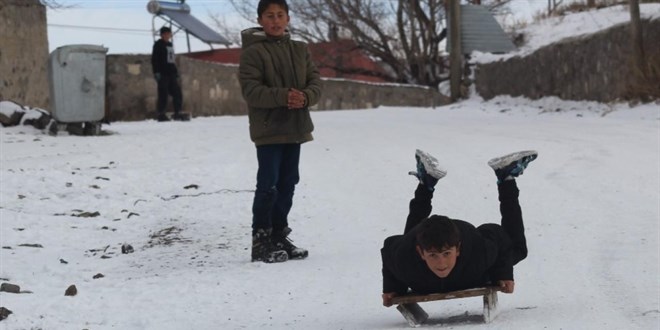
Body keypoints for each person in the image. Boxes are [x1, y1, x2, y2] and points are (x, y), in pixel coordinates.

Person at [381, 149, 538, 307]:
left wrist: (503, 274)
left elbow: (496, 234)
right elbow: (389, 248)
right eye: (433, 255)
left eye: (447, 253)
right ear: (421, 253)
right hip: (414, 248)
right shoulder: (403, 261)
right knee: (408, 244)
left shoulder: (480, 255)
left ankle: (506, 177)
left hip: (471, 243)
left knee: (517, 250)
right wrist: (393, 288)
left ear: (458, 249)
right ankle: (426, 183)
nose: (441, 263)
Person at [239, 0, 322, 263]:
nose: (275, 20)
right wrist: (284, 96)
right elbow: (251, 91)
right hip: (269, 129)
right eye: (269, 16)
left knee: (288, 184)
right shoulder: (253, 53)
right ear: (260, 20)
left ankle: (278, 234)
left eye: (280, 15)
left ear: (288, 18)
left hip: (294, 128)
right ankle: (260, 240)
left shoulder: (300, 49)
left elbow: (315, 82)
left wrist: (306, 97)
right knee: (269, 185)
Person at [151, 26, 184, 122]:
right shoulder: (158, 45)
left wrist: (175, 71)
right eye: (165, 34)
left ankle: (177, 113)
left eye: (169, 34)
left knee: (177, 93)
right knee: (163, 93)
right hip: (162, 73)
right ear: (162, 35)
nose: (167, 36)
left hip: (171, 73)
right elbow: (155, 59)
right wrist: (156, 72)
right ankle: (161, 114)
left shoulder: (170, 45)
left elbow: (172, 59)